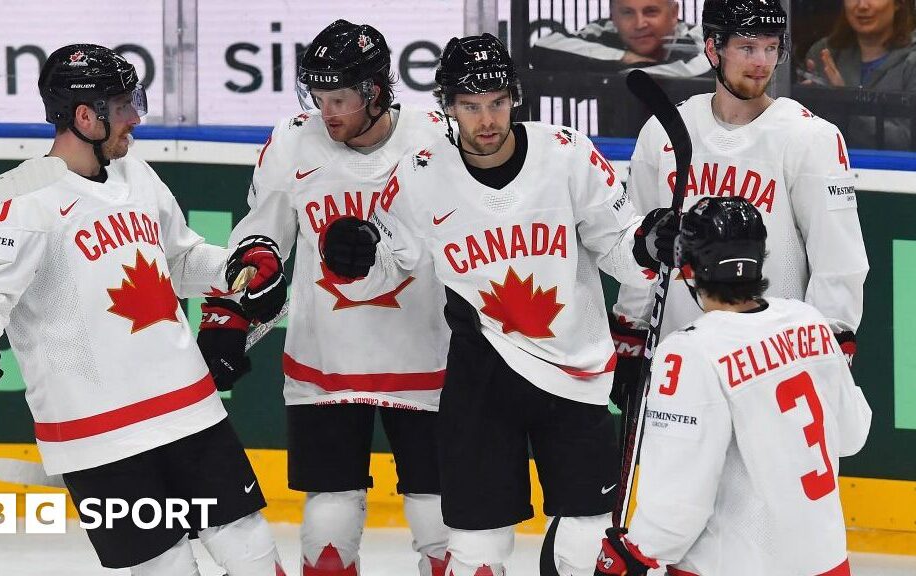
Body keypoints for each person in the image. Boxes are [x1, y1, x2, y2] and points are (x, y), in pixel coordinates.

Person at [318, 33, 679, 576]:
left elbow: (618, 248)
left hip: (573, 373)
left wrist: (648, 245)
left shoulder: (567, 153)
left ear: (515, 99)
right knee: (477, 551)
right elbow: (389, 267)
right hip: (483, 376)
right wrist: (358, 262)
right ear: (448, 107)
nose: (486, 120)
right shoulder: (419, 173)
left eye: (496, 104)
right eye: (470, 106)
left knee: (586, 542)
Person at [0, 44, 287, 576]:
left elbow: (180, 257)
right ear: (84, 116)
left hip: (188, 409)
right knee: (165, 570)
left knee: (253, 552)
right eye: (123, 106)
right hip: (97, 436)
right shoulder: (20, 198)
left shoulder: (137, 174)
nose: (135, 119)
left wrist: (236, 268)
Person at [200, 20, 451, 576]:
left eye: (338, 98)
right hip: (326, 359)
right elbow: (260, 231)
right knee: (328, 525)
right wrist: (236, 303)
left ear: (376, 91)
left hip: (427, 356)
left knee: (440, 519)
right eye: (317, 97)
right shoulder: (293, 139)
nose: (326, 111)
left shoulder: (438, 136)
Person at [611, 0, 869, 423]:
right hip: (683, 364)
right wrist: (632, 336)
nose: (761, 62)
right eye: (747, 47)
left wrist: (826, 355)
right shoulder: (664, 131)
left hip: (771, 367)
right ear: (713, 49)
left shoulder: (810, 138)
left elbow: (838, 264)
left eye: (771, 48)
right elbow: (642, 244)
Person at [593, 196, 872, 576]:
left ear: (688, 270)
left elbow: (679, 500)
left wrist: (637, 552)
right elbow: (852, 435)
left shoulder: (689, 353)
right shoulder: (808, 321)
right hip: (826, 562)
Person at [802, 0, 916, 149]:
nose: (862, 5)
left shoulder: (912, 61)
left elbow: (907, 141)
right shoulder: (822, 53)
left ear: (898, 3)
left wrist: (844, 100)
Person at [531, 0, 711, 77]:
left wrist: (614, 71)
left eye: (651, 12)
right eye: (627, 13)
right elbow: (544, 46)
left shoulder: (697, 37)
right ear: (613, 16)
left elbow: (697, 70)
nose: (640, 23)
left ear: (673, 13)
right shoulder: (604, 30)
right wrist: (625, 57)